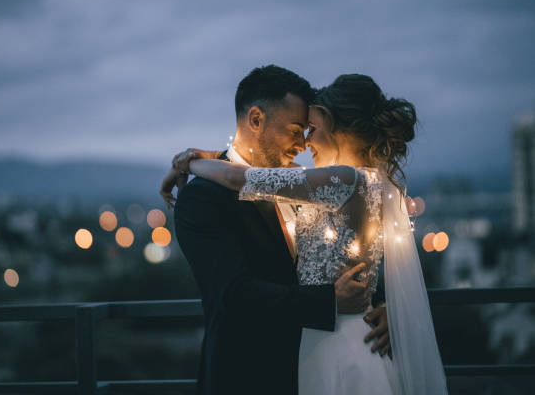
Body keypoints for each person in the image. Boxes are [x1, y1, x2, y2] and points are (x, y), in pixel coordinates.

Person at [163, 73, 448, 394]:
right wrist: (331, 302)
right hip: (250, 375)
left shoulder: (327, 182)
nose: (303, 144)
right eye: (297, 130)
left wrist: (383, 309)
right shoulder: (204, 198)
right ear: (256, 119)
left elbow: (237, 178)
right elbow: (232, 295)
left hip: (334, 350)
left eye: (309, 131)